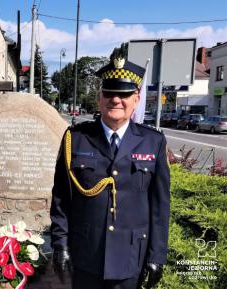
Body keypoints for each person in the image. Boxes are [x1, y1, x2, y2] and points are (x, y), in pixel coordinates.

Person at [50, 57, 170, 289]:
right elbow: (61, 198)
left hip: (131, 257)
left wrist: (157, 256)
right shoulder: (75, 139)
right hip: (86, 255)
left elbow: (160, 207)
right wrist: (60, 244)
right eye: (109, 93)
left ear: (136, 99)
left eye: (124, 95)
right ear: (99, 97)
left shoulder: (152, 142)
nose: (116, 99)